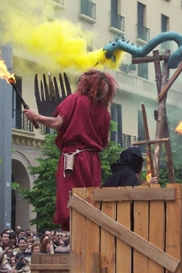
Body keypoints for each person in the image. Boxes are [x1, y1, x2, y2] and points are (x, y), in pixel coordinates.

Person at [24, 69, 118, 230]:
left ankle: (78, 243)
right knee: (90, 201)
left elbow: (57, 123)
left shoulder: (75, 99)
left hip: (74, 158)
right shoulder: (105, 112)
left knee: (71, 201)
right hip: (93, 161)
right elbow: (104, 142)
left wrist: (35, 116)